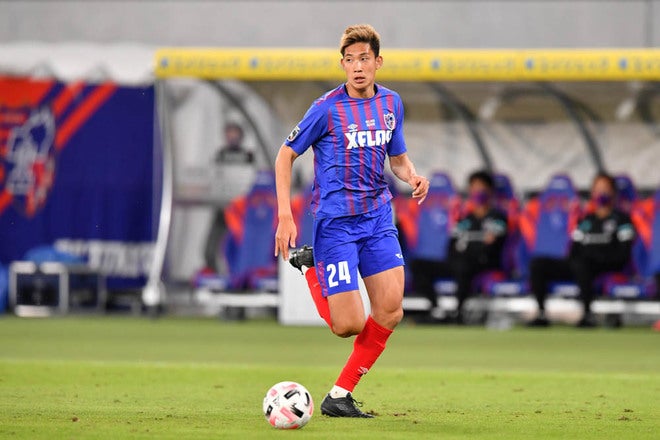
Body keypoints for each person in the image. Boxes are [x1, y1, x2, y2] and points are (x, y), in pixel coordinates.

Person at [274, 24, 429, 418]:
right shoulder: (326, 108)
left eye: (364, 59)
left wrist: (412, 176)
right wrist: (284, 214)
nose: (357, 66)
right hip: (337, 225)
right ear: (342, 65)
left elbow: (397, 158)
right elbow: (285, 155)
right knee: (348, 325)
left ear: (378, 62)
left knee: (391, 310)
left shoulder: (391, 103)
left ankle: (339, 395)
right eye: (350, 60)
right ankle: (311, 267)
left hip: (377, 218)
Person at [527, 173, 636, 328]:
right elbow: (574, 249)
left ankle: (588, 314)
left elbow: (623, 253)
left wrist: (597, 256)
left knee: (582, 264)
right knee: (539, 264)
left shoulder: (622, 220)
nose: (601, 193)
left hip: (605, 264)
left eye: (605, 188)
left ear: (613, 193)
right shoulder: (586, 221)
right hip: (580, 265)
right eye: (597, 189)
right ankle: (541, 313)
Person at [448, 170, 508, 323]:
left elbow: (492, 243)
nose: (477, 191)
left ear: (489, 190)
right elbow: (454, 241)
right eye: (473, 187)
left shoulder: (497, 216)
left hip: (486, 262)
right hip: (461, 260)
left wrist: (471, 243)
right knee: (421, 265)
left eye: (480, 187)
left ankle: (459, 312)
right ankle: (435, 309)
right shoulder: (466, 218)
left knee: (464, 265)